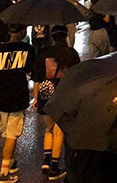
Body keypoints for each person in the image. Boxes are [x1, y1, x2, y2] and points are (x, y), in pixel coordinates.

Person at [33, 25, 80, 180]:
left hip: (45, 96)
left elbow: (37, 78)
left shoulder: (43, 54)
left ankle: (46, 161)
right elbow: (77, 76)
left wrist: (35, 97)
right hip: (63, 95)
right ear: (65, 36)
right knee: (59, 130)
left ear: (52, 37)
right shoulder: (71, 54)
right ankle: (54, 167)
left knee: (50, 128)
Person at [0, 23, 34, 182]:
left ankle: (11, 161)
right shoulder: (27, 49)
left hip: (2, 95)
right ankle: (4, 173)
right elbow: (31, 71)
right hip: (18, 96)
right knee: (12, 135)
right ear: (23, 32)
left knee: (7, 133)